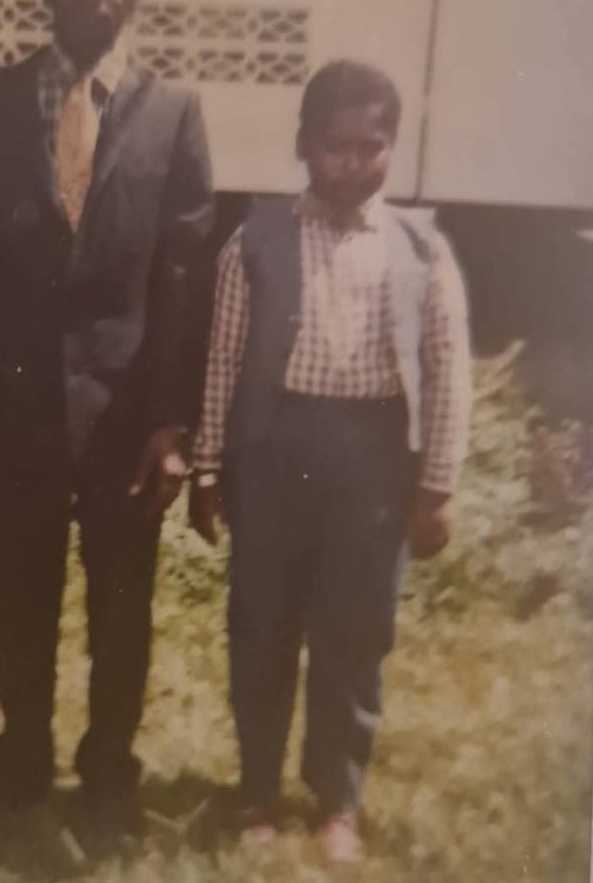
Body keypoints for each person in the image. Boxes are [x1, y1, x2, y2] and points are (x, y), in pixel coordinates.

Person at [0, 0, 214, 850]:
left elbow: (184, 278)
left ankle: (108, 780)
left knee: (122, 612)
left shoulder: (174, 114)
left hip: (125, 419)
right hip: (14, 412)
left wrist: (173, 420)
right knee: (21, 603)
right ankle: (20, 763)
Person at [189, 59, 472, 864]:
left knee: (355, 630)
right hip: (274, 452)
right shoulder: (255, 242)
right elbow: (223, 362)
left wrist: (437, 485)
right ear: (303, 145)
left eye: (370, 147)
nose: (351, 163)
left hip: (373, 461)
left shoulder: (421, 250)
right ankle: (256, 791)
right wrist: (208, 469)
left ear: (392, 149)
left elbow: (447, 370)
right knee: (262, 625)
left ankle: (337, 798)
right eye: (334, 145)